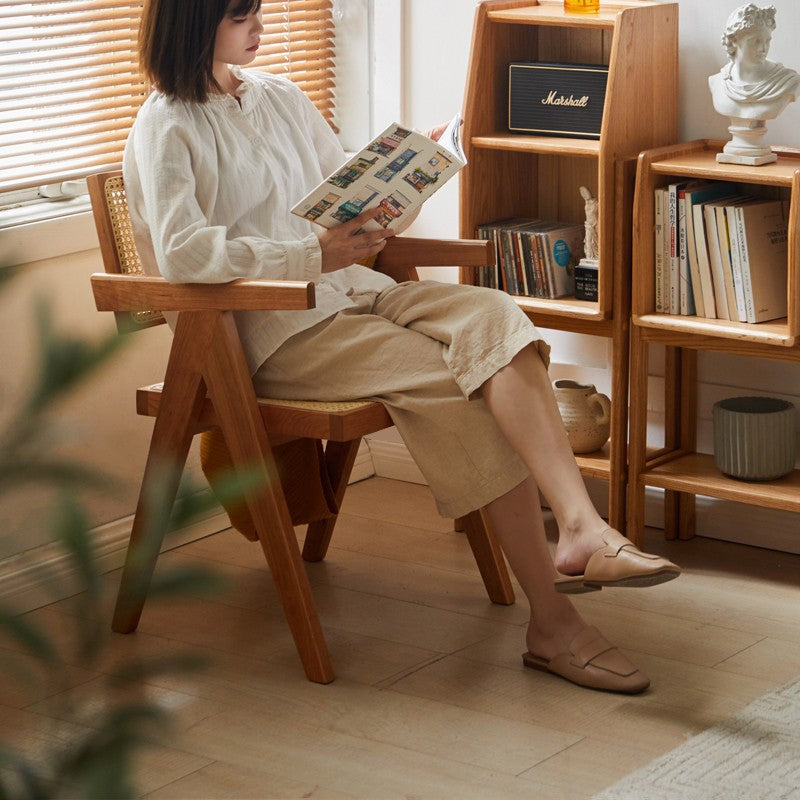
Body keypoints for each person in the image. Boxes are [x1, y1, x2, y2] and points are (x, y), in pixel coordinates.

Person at [124, 0, 680, 695]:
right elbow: (182, 253)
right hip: (276, 331)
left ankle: (579, 527)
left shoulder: (281, 97)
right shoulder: (165, 126)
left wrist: (416, 168)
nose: (259, 27)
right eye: (242, 17)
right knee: (460, 383)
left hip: (355, 291)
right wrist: (309, 253)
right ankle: (553, 623)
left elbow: (348, 208)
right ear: (191, 22)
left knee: (497, 322)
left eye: (260, 11)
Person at [709, 3, 800, 122]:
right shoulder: (718, 81)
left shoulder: (787, 81)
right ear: (734, 41)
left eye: (767, 41)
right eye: (755, 41)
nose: (763, 49)